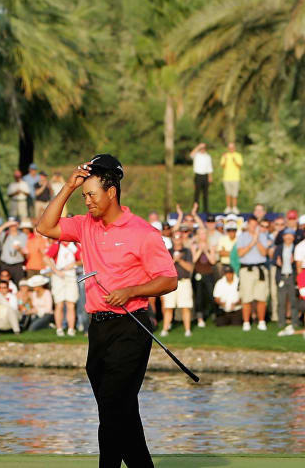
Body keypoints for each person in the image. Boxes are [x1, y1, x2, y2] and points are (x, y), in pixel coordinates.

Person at [36, 153, 177, 468]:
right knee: (121, 414)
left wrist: (131, 290)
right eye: (84, 195)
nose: (87, 201)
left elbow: (169, 280)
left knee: (113, 412)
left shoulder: (143, 232)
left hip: (132, 328)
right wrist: (69, 187)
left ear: (111, 192)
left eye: (91, 195)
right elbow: (45, 226)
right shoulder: (85, 225)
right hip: (98, 330)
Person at [235, 216, 271, 331]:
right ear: (248, 225)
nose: (254, 227)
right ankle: (246, 322)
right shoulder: (242, 237)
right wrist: (252, 243)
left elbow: (264, 252)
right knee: (247, 297)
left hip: (260, 268)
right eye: (252, 224)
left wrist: (257, 240)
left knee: (261, 297)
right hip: (247, 270)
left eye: (256, 225)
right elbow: (240, 254)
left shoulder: (262, 236)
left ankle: (261, 321)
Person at [45, 239, 81, 336]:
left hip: (71, 275)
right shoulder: (57, 245)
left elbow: (82, 259)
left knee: (71, 304)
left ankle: (71, 329)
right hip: (58, 276)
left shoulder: (74, 246)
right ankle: (59, 328)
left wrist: (74, 264)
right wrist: (56, 270)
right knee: (59, 304)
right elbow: (46, 258)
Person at [162, 231, 194, 337]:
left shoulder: (187, 251)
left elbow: (190, 268)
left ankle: (187, 330)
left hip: (184, 282)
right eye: (175, 237)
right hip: (171, 282)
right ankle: (165, 329)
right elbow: (164, 268)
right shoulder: (168, 251)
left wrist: (180, 260)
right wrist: (173, 260)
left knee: (185, 307)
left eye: (179, 237)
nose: (177, 240)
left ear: (182, 239)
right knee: (168, 307)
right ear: (172, 239)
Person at [272, 228, 299, 329]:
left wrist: (294, 262)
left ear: (293, 237)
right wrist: (277, 262)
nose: (288, 237)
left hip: (292, 276)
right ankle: (281, 322)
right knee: (281, 302)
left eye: (290, 235)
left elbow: (300, 262)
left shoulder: (296, 248)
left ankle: (295, 322)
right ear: (283, 237)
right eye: (286, 235)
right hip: (282, 276)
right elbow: (274, 260)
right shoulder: (279, 248)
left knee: (293, 301)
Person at [219, 142, 243, 214]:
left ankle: (234, 207)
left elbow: (239, 165)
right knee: (228, 193)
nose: (231, 149)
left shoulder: (238, 155)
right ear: (228, 148)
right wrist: (225, 159)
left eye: (232, 147)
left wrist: (234, 160)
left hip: (235, 178)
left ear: (234, 148)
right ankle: (228, 207)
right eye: (230, 147)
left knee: (235, 194)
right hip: (226, 178)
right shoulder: (225, 155)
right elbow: (222, 166)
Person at [190, 142, 213, 213]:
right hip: (198, 175)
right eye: (201, 148)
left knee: (205, 194)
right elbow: (191, 155)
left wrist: (210, 177)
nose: (203, 149)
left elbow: (209, 167)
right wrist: (198, 146)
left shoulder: (208, 156)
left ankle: (205, 210)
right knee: (197, 194)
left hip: (205, 175)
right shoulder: (197, 155)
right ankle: (195, 209)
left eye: (204, 148)